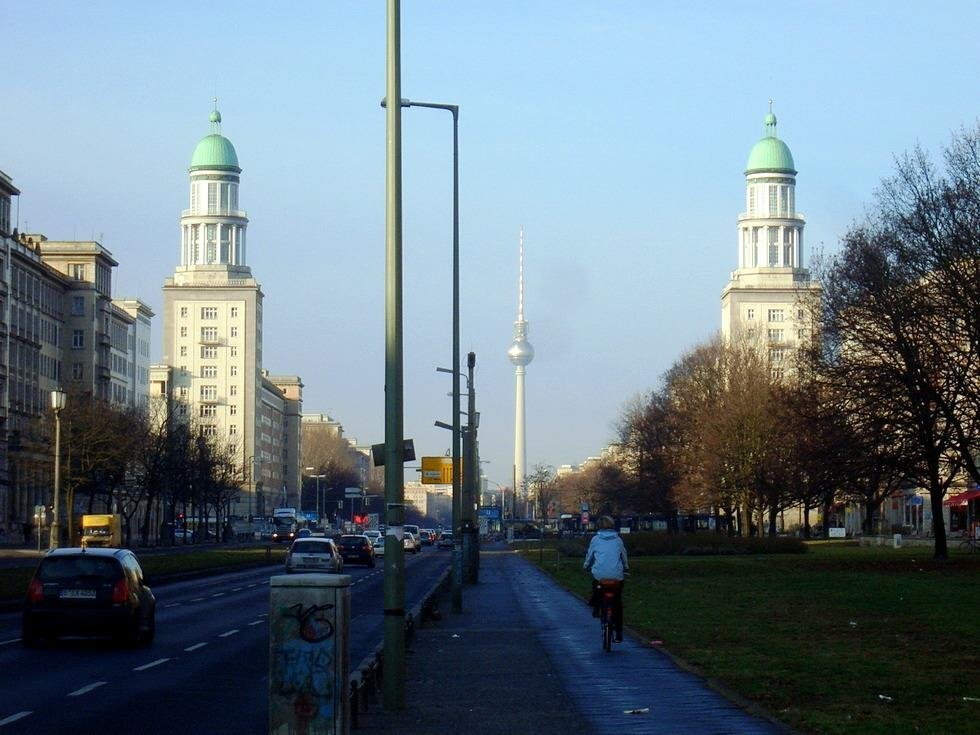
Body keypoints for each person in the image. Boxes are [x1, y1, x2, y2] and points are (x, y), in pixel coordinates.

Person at [583, 516, 629, 642]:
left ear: (599, 526)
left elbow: (590, 555)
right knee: (617, 602)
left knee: (597, 586)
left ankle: (596, 607)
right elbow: (623, 556)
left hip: (600, 575)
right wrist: (626, 567)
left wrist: (586, 566)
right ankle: (618, 632)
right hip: (616, 577)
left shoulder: (595, 539)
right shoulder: (618, 540)